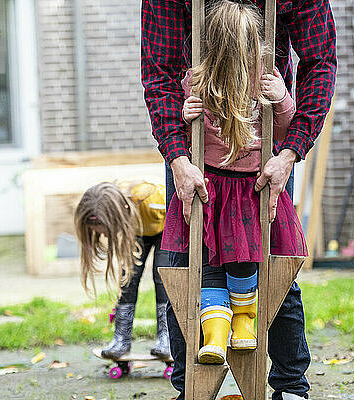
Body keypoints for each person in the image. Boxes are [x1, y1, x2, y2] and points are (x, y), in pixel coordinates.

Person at [141, 0, 337, 398]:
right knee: (189, 266)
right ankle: (192, 386)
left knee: (275, 266)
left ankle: (290, 385)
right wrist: (178, 153)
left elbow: (320, 62)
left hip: (263, 166)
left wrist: (289, 152)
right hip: (202, 168)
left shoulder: (266, 78)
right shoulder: (196, 78)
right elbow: (159, 73)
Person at [161, 0, 307, 365]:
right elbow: (179, 121)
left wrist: (283, 100)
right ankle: (213, 336)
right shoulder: (197, 80)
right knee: (204, 263)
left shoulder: (264, 80)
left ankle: (245, 324)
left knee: (251, 263)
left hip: (252, 187)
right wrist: (186, 113)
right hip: (211, 186)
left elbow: (286, 130)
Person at [74, 181, 171, 359]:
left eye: (102, 230)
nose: (102, 235)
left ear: (114, 218)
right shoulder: (118, 208)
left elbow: (176, 208)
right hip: (137, 231)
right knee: (128, 278)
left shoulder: (149, 199)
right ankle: (121, 339)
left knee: (162, 278)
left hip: (166, 229)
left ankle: (167, 338)